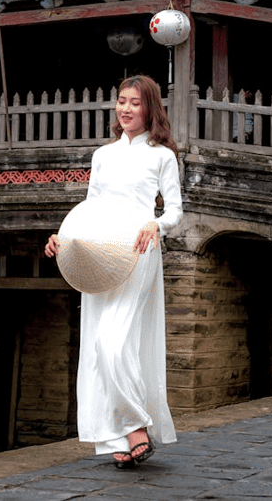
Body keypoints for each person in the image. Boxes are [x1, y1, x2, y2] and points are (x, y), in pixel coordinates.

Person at [44, 74, 183, 469]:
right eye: (121, 101)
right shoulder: (102, 155)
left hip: (138, 250)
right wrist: (63, 235)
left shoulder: (162, 155)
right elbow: (91, 207)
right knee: (98, 345)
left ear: (150, 108)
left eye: (135, 103)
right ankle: (118, 437)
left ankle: (136, 425)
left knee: (116, 342)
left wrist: (157, 224)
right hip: (100, 251)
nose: (125, 109)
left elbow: (174, 209)